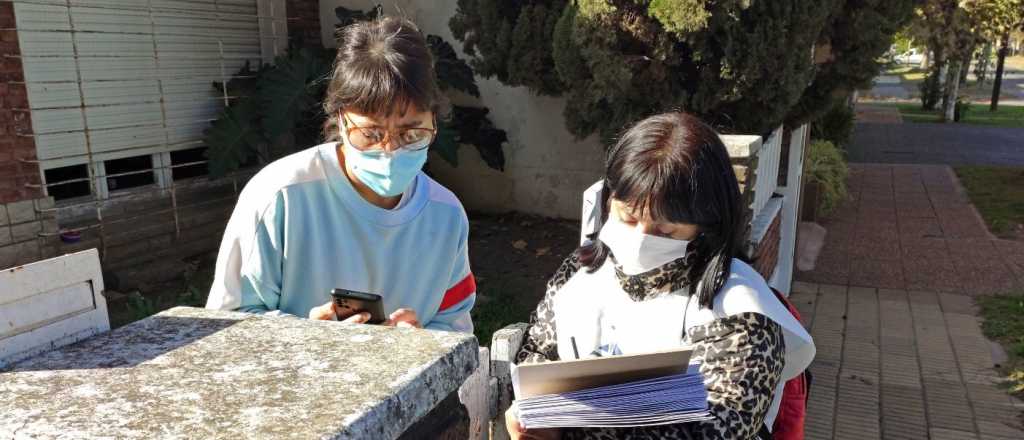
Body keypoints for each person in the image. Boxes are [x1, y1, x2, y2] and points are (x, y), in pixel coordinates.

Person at [506, 112, 815, 439]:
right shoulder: (582, 269)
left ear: (708, 225)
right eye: (627, 217)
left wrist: (567, 430)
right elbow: (537, 351)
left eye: (665, 231)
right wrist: (533, 415)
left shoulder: (740, 311)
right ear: (609, 199)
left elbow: (717, 430)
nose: (640, 239)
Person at [205, 16, 475, 333]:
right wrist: (309, 338)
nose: (390, 151)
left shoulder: (446, 215)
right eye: (371, 134)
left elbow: (454, 327)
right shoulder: (279, 196)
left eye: (411, 134)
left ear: (434, 122)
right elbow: (228, 323)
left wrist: (421, 342)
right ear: (340, 120)